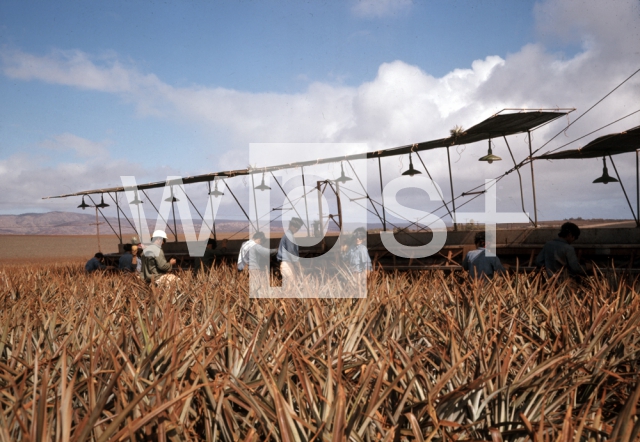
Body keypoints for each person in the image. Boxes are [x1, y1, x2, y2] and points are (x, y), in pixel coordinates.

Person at [277, 217, 304, 286]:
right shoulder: (289, 236)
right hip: (287, 264)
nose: (296, 228)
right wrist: (299, 265)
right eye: (295, 226)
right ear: (290, 225)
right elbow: (291, 252)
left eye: (298, 227)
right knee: (291, 286)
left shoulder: (289, 235)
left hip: (287, 263)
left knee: (290, 285)